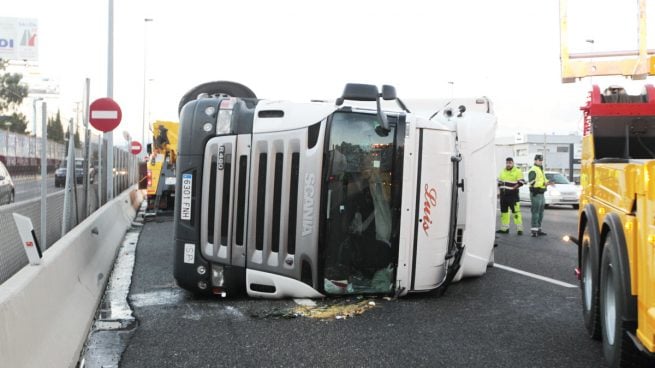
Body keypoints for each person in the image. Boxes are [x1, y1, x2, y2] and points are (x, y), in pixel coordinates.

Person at [496, 157, 525, 235]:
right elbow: (499, 183)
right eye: (507, 163)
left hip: (513, 196)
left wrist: (512, 189)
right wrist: (498, 193)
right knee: (504, 213)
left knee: (516, 212)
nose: (508, 164)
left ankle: (519, 229)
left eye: (510, 163)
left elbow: (521, 182)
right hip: (503, 196)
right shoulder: (502, 171)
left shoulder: (517, 171)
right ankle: (504, 229)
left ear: (513, 163)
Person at [528, 154, 549, 237]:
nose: (540, 161)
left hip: (541, 193)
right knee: (535, 212)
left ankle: (538, 229)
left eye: (541, 160)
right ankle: (534, 230)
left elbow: (543, 179)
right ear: (535, 160)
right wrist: (543, 183)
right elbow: (531, 182)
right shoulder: (533, 169)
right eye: (539, 160)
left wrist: (548, 182)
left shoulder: (541, 169)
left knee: (541, 213)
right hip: (535, 193)